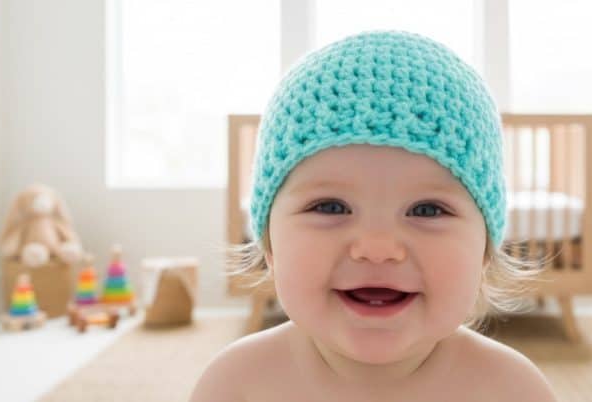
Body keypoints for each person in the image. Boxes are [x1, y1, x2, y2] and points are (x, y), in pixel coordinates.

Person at [191, 30, 557, 402]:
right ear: (270, 245)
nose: (377, 248)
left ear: (484, 251)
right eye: (331, 207)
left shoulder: (512, 390)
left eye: (427, 210)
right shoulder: (236, 385)